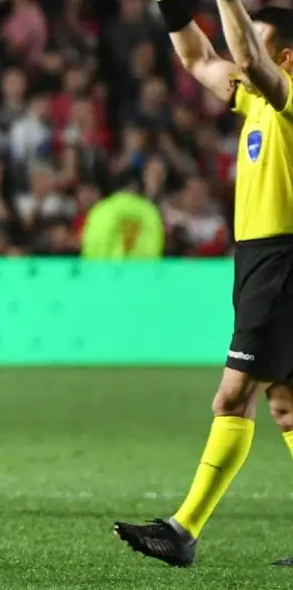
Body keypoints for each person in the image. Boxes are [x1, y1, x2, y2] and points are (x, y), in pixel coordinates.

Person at [113, 3, 293, 567]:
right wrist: (172, 6)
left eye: (254, 45)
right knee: (286, 404)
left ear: (286, 58)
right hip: (263, 260)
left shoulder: (289, 95)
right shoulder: (255, 99)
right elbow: (198, 58)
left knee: (232, 397)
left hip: (282, 262)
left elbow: (248, 61)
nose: (240, 59)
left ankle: (183, 529)